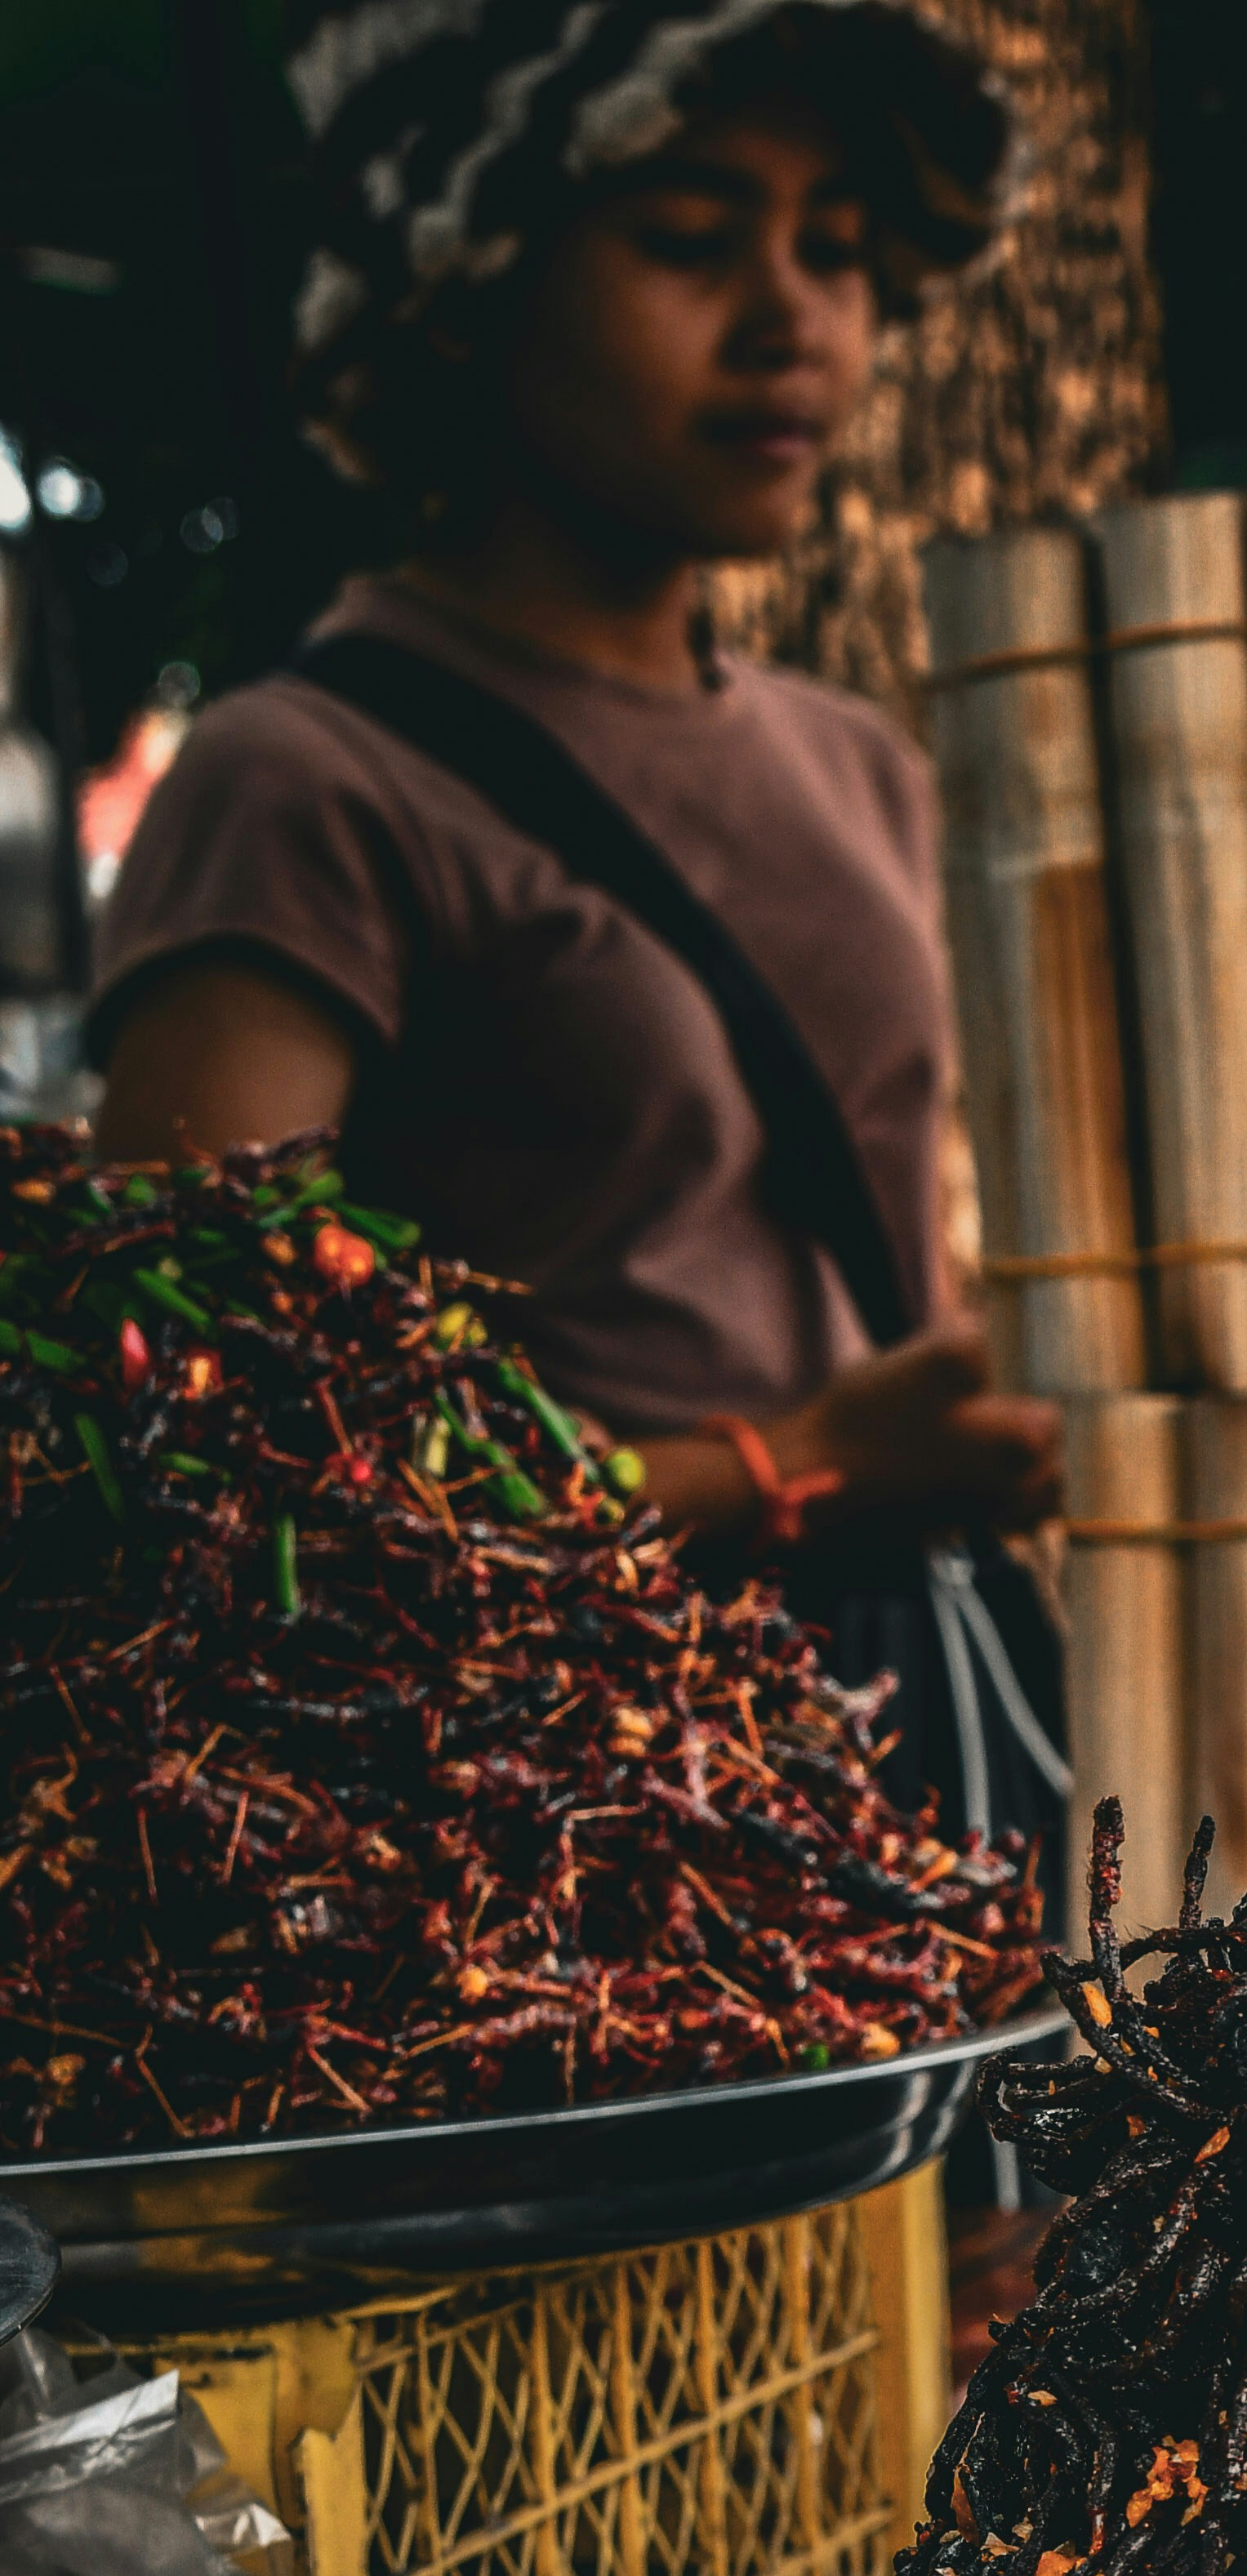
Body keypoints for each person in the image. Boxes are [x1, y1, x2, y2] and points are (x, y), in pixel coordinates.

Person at [88, 0, 1065, 1850]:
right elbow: (196, 1466)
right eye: (692, 243)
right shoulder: (304, 780)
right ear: (468, 286)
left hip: (907, 1713)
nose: (794, 320)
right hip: (553, 1817)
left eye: (836, 251)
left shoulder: (852, 762)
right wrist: (800, 1467)